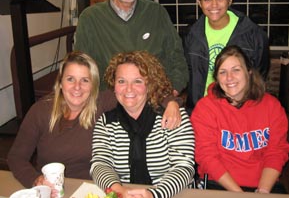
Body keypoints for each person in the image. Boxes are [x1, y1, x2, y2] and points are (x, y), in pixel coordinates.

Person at [7, 51, 182, 194]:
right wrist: (35, 179)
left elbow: (137, 91)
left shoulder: (102, 103)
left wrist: (171, 102)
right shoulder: (40, 111)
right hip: (54, 191)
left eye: (85, 80)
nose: (77, 87)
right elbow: (16, 157)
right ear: (60, 83)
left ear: (94, 85)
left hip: (96, 189)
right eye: (70, 79)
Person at [74, 0, 188, 96]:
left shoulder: (157, 13)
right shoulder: (90, 18)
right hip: (109, 103)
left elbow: (177, 59)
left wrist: (170, 94)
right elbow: (80, 68)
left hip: (153, 100)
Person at [90, 51, 195, 198]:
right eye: (121, 81)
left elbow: (184, 168)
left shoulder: (172, 116)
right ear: (114, 85)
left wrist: (154, 194)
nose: (128, 89)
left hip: (171, 194)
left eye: (137, 81)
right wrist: (118, 190)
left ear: (150, 84)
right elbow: (100, 164)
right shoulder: (107, 122)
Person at [190, 45, 289, 193]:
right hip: (219, 184)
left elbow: (276, 151)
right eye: (222, 72)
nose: (229, 78)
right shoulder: (205, 108)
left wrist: (263, 191)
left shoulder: (272, 106)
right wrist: (239, 195)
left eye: (236, 70)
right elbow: (207, 156)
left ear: (249, 72)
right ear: (217, 78)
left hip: (264, 185)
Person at [184, 0, 270, 112]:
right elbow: (187, 73)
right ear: (199, 2)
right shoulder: (191, 35)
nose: (214, 5)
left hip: (239, 109)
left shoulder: (253, 34)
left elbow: (259, 75)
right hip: (201, 109)